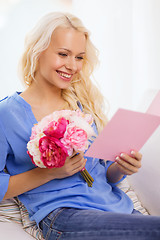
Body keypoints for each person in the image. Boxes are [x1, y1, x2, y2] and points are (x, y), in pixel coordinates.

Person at [0, 12, 160, 240]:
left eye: (79, 57)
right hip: (65, 215)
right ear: (38, 51)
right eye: (63, 54)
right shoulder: (6, 114)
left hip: (117, 209)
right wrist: (49, 173)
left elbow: (104, 174)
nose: (72, 66)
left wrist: (121, 168)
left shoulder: (82, 105)